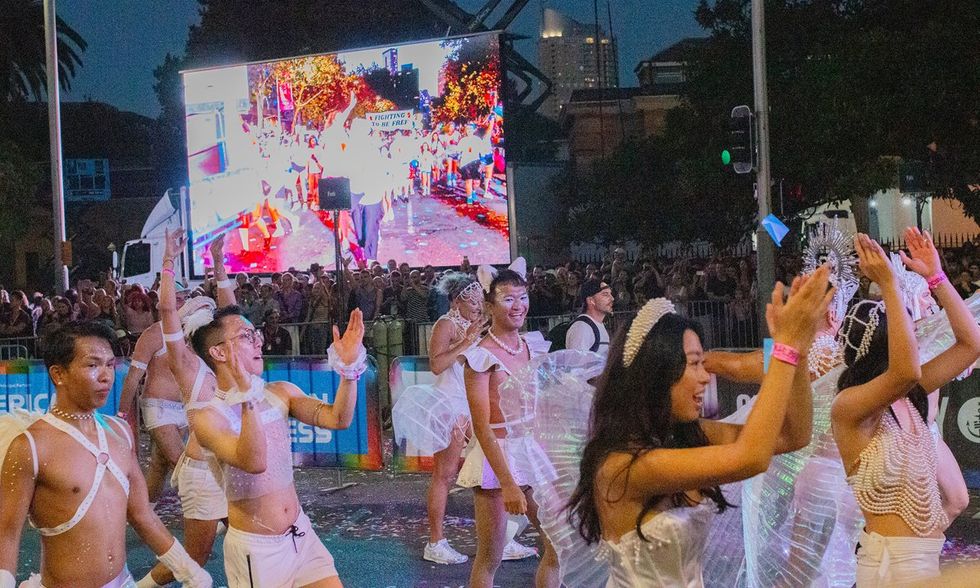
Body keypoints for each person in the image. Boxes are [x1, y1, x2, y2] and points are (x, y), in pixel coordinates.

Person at [564, 265, 833, 587]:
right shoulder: (622, 465)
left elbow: (794, 435)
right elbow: (752, 457)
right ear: (657, 373)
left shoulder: (687, 436)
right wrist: (785, 349)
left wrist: (797, 351)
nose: (706, 376)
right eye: (694, 364)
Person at [0, 322, 211, 588]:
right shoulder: (30, 446)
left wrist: (188, 570)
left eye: (110, 365)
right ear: (58, 374)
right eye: (92, 365)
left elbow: (142, 515)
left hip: (124, 582)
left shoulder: (120, 431)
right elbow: (7, 533)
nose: (106, 376)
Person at [186, 283, 366, 587]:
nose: (259, 341)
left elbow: (338, 419)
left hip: (301, 534)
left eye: (255, 334)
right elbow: (254, 461)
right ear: (218, 352)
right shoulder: (208, 417)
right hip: (258, 551)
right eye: (246, 336)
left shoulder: (281, 391)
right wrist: (247, 396)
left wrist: (349, 370)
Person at [832, 230, 980, 587]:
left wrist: (937, 277)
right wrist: (889, 285)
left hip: (924, 566)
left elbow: (972, 345)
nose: (916, 334)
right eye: (906, 332)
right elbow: (906, 370)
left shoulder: (909, 396)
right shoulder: (849, 408)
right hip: (890, 571)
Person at [135, 231, 238, 588]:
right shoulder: (187, 365)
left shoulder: (230, 361)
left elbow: (232, 311)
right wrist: (168, 259)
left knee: (257, 537)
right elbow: (166, 310)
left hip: (233, 466)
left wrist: (219, 261)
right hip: (203, 471)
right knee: (194, 559)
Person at [458, 261, 559, 588]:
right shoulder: (480, 358)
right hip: (496, 458)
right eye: (508, 299)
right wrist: (509, 484)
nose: (518, 306)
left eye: (523, 297)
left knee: (558, 545)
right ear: (489, 306)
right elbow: (483, 427)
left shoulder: (532, 345)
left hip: (531, 450)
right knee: (490, 557)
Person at [118, 238, 235, 505]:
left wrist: (219, 263)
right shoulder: (153, 334)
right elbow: (133, 379)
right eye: (176, 297)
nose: (180, 300)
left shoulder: (198, 333)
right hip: (159, 408)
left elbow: (231, 314)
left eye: (184, 297)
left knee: (160, 464)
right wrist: (123, 418)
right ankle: (220, 513)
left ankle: (142, 511)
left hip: (189, 408)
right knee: (184, 464)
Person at [392, 273, 485, 564]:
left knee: (489, 471)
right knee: (445, 474)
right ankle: (435, 542)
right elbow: (436, 364)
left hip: (475, 404)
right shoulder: (445, 324)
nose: (479, 306)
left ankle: (499, 538)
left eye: (481, 301)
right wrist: (466, 342)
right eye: (473, 301)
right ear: (457, 301)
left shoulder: (478, 324)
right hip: (449, 406)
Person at [565, 280, 613, 357]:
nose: (612, 298)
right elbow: (576, 362)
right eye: (605, 294)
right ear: (591, 300)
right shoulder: (582, 327)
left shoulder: (596, 324)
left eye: (610, 294)